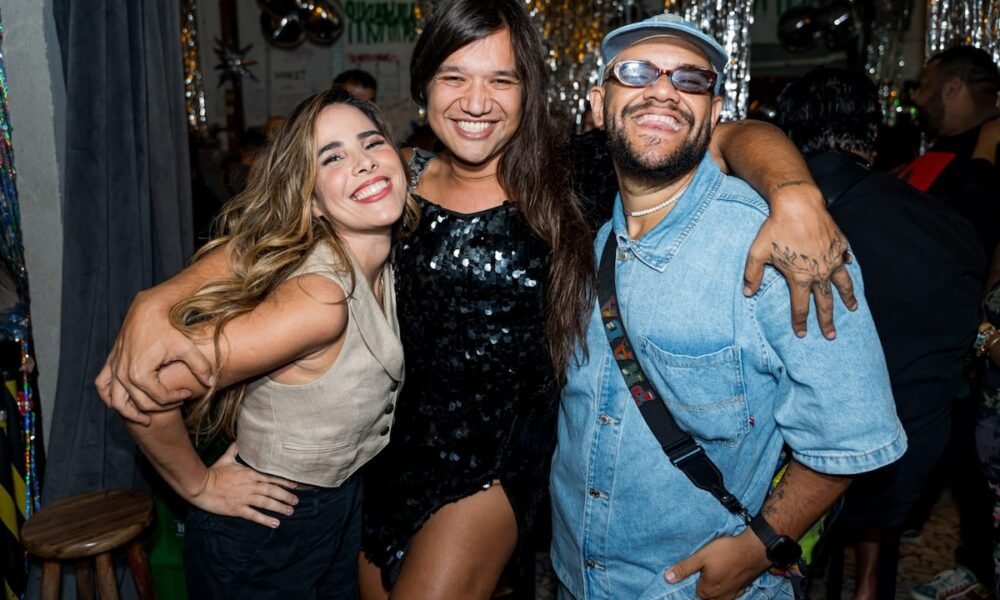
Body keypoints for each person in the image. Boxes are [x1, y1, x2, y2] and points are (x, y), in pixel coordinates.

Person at [100, 2, 858, 598]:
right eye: (453, 76)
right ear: (423, 87)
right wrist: (161, 298)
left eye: (501, 79)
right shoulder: (393, 178)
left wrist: (794, 192)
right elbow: (279, 226)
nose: (476, 101)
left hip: (496, 461)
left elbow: (733, 136)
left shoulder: (574, 175)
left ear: (529, 92)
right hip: (382, 458)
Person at [549, 15, 906, 600]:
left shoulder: (780, 247)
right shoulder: (586, 233)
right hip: (573, 575)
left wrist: (758, 546)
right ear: (597, 104)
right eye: (636, 72)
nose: (663, 90)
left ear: (715, 112)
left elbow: (852, 432)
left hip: (693, 588)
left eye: (690, 79)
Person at [99, 87, 418, 598]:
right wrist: (199, 484)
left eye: (371, 142)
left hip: (336, 511)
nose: (362, 162)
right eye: (332, 157)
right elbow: (142, 388)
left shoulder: (383, 263)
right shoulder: (320, 301)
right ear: (312, 202)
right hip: (267, 534)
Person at [776, 67, 985, 600]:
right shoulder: (945, 224)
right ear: (872, 136)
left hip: (800, 468)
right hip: (906, 466)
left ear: (787, 138)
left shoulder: (760, 221)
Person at [899, 46, 1000, 600]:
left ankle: (977, 563)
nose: (917, 98)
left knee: (978, 458)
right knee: (966, 454)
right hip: (945, 330)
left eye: (927, 86)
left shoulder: (984, 154)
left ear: (955, 88)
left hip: (976, 331)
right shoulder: (945, 152)